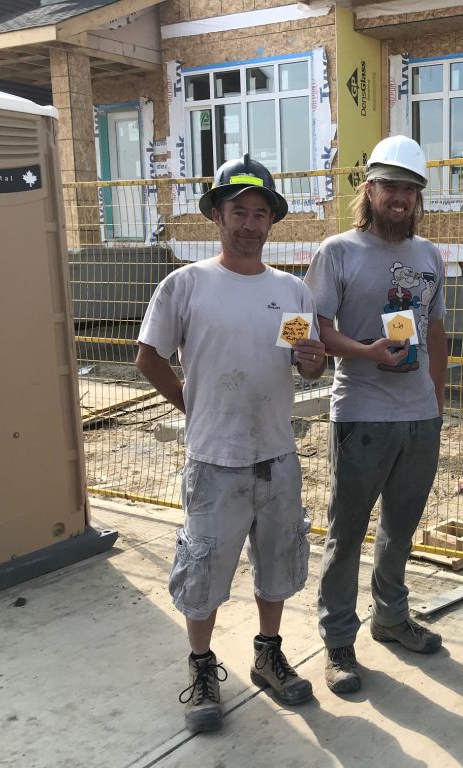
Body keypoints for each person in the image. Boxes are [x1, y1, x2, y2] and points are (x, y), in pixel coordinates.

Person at [136, 155, 326, 733]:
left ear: (273, 222)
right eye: (238, 211)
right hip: (214, 462)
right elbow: (148, 357)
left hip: (276, 456)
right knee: (205, 571)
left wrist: (314, 362)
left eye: (260, 212)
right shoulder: (186, 285)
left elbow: (306, 364)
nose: (249, 223)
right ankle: (201, 668)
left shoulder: (292, 291)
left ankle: (268, 654)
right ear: (217, 216)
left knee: (276, 562)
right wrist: (190, 407)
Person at [304, 135, 447, 694]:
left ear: (418, 198)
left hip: (418, 418)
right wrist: (364, 352)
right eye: (390, 185)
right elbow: (315, 328)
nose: (399, 197)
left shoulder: (429, 255)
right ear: (370, 189)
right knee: (347, 531)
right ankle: (339, 639)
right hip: (361, 413)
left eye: (409, 189)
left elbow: (434, 327)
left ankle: (390, 617)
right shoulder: (338, 251)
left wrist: (435, 397)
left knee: (400, 529)